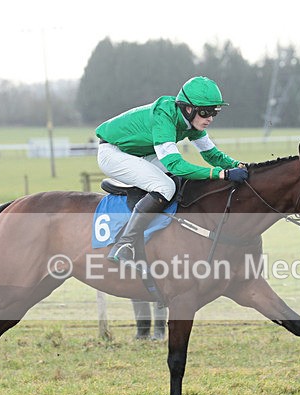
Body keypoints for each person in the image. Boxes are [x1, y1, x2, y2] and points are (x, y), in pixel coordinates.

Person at [95, 76, 249, 263]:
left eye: (214, 113)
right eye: (206, 112)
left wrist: (238, 166)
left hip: (139, 153)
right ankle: (124, 245)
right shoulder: (164, 116)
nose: (209, 118)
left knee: (183, 182)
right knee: (166, 187)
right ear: (189, 108)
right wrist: (221, 174)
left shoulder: (193, 123)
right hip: (113, 153)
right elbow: (175, 164)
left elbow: (212, 155)